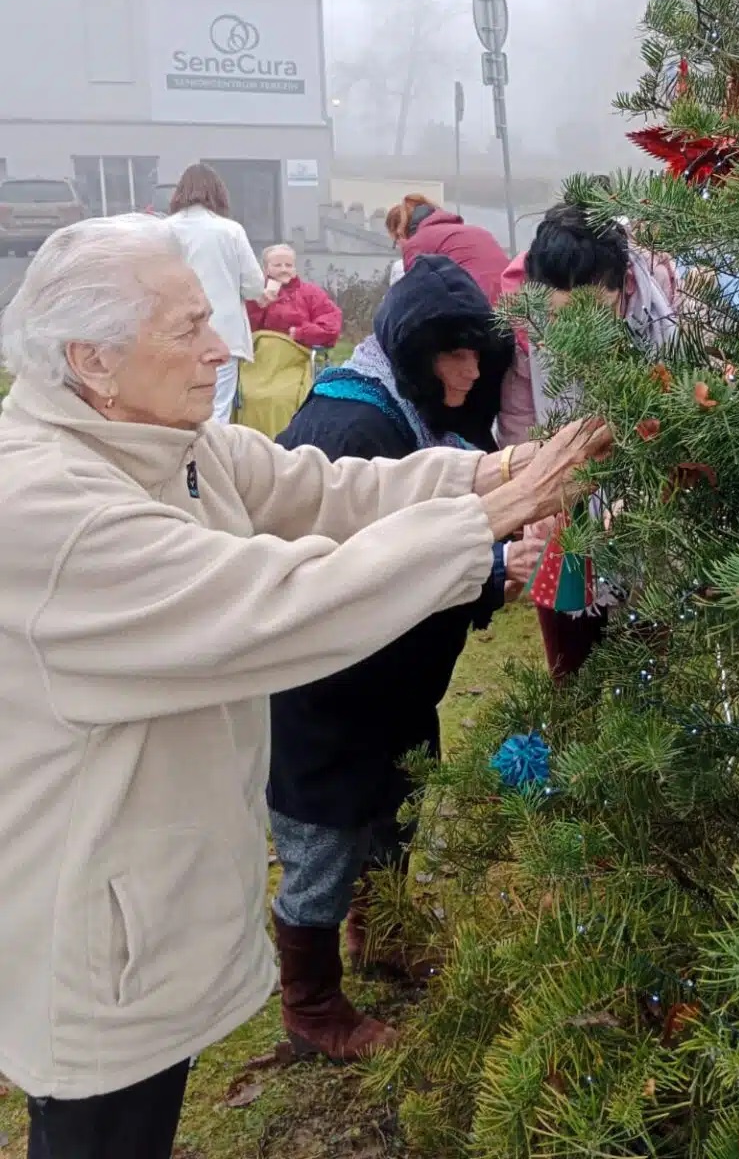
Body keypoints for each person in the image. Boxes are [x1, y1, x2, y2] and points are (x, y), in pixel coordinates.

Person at [0, 213, 609, 1159]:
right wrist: (486, 520)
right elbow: (277, 602)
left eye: (219, 318)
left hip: (150, 900)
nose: (225, 349)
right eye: (189, 328)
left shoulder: (170, 441)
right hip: (89, 926)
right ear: (93, 358)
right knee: (99, 1131)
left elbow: (322, 489)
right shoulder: (51, 510)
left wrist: (490, 468)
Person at [268, 255, 535, 1059]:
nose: (470, 371)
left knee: (395, 810)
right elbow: (373, 572)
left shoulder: (415, 417)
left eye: (476, 354)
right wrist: (488, 570)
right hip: (331, 691)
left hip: (392, 685)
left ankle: (381, 937)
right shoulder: (354, 429)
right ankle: (311, 1006)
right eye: (452, 356)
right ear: (412, 353)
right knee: (325, 844)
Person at [499, 204, 678, 679]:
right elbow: (520, 419)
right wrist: (535, 497)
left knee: (648, 654)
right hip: (562, 496)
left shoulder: (663, 318)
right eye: (560, 319)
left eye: (595, 314)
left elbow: (684, 412)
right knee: (571, 660)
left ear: (624, 291)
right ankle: (572, 735)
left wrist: (646, 491)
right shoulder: (524, 326)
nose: (579, 336)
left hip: (647, 501)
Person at [167, 163, 266, 423]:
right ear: (219, 193)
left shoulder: (162, 231)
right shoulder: (230, 231)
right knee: (217, 409)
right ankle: (210, 462)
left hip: (174, 331)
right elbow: (255, 286)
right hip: (223, 333)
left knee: (175, 403)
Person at [386, 192, 508, 304]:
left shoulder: (416, 243)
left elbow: (412, 299)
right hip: (514, 311)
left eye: (397, 242)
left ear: (400, 233)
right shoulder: (478, 232)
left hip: (477, 314)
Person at [245, 244, 343, 349]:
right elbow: (240, 330)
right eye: (277, 265)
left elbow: (331, 328)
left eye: (289, 265)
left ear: (295, 268)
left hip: (299, 357)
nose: (284, 270)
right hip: (260, 356)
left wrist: (299, 333)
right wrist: (257, 306)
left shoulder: (311, 293)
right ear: (266, 269)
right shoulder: (252, 293)